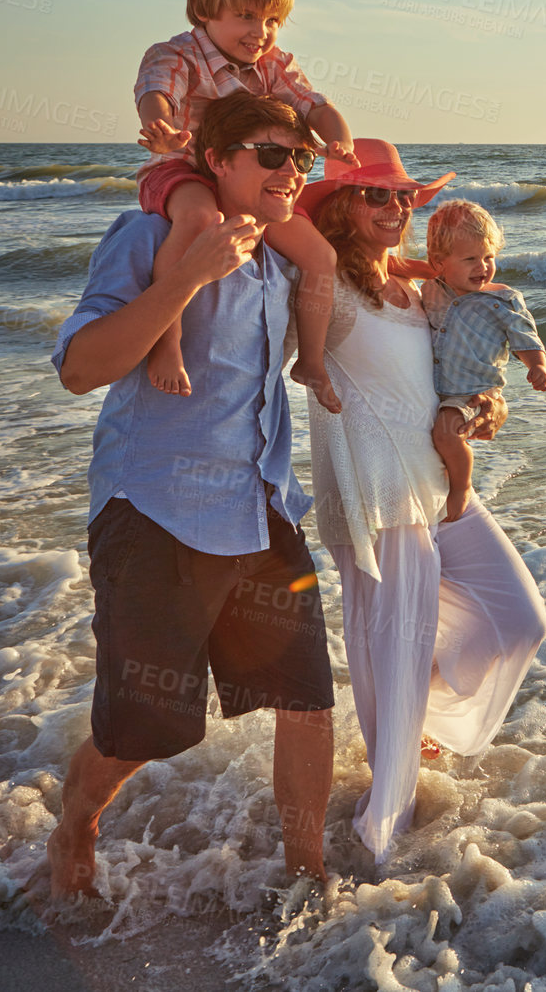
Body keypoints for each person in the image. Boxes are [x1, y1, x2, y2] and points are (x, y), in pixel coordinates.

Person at [45, 93, 336, 895]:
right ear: (219, 161)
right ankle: (74, 828)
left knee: (307, 700)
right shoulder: (149, 238)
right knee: (146, 728)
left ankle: (308, 878)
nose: (291, 172)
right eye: (272, 155)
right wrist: (192, 276)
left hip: (262, 506)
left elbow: (377, 273)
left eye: (301, 160)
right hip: (155, 509)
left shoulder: (286, 265)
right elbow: (80, 369)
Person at [297, 140, 546, 864]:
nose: (395, 207)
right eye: (375, 194)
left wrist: (486, 404)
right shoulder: (328, 288)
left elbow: (469, 365)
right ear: (343, 205)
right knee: (396, 664)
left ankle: (420, 721)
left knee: (519, 620)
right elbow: (291, 250)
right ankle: (381, 850)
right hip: (380, 499)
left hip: (437, 491)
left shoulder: (425, 290)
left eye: (404, 196)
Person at [134, 0, 355, 413]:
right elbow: (157, 94)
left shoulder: (272, 65)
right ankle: (165, 342)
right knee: (198, 220)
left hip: (248, 184)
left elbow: (314, 105)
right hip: (182, 167)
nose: (262, 31)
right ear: (204, 10)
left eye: (273, 20)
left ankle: (310, 363)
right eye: (247, 16)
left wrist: (340, 142)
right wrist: (163, 128)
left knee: (320, 255)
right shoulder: (177, 55)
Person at [419, 200, 546, 524]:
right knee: (441, 433)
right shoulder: (429, 290)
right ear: (439, 263)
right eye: (470, 259)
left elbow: (527, 338)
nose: (483, 267)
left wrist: (537, 366)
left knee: (448, 433)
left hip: (472, 391)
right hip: (435, 388)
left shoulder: (502, 300)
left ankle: (461, 486)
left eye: (489, 257)